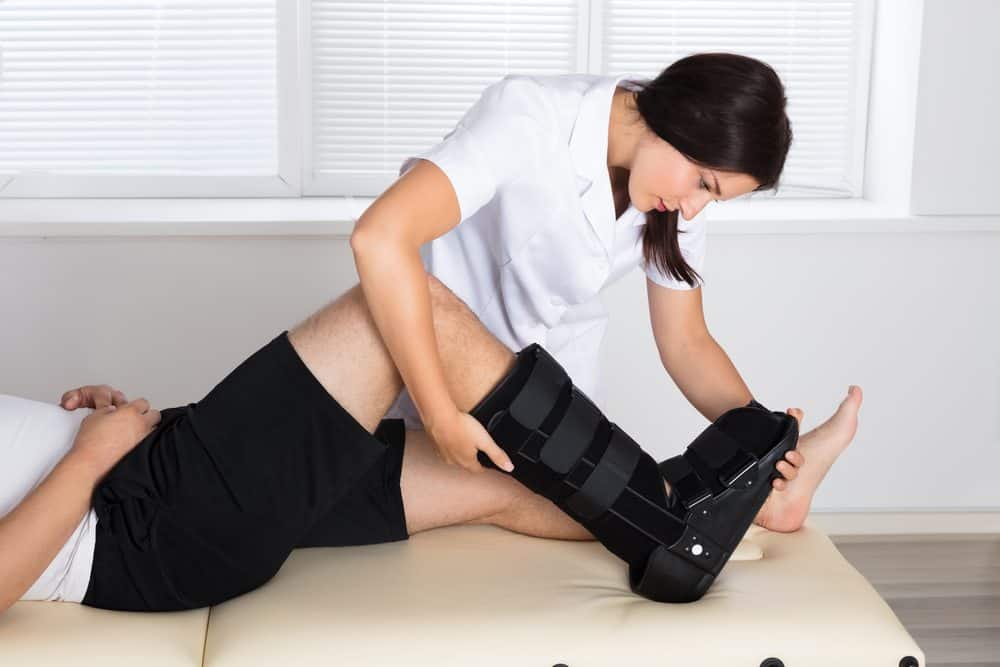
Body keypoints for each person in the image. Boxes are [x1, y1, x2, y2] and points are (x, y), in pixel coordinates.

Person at [0, 273, 860, 614]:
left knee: (489, 478)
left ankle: (742, 513)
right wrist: (84, 460)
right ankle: (682, 532)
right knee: (394, 307)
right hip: (142, 525)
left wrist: (84, 426)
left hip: (133, 479)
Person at [352, 53, 822, 493]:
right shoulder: (530, 116)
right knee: (614, 507)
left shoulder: (674, 194)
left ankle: (775, 492)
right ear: (684, 123)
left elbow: (685, 342)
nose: (696, 209)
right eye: (704, 184)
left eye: (712, 197)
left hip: (551, 392)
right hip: (440, 371)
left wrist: (760, 437)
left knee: (617, 505)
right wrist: (438, 415)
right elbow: (380, 236)